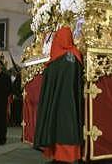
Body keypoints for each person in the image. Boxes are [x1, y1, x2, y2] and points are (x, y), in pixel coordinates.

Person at [34, 26, 84, 163]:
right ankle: (70, 155)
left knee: (56, 125)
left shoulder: (55, 59)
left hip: (56, 101)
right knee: (69, 125)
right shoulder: (76, 55)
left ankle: (59, 155)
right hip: (72, 101)